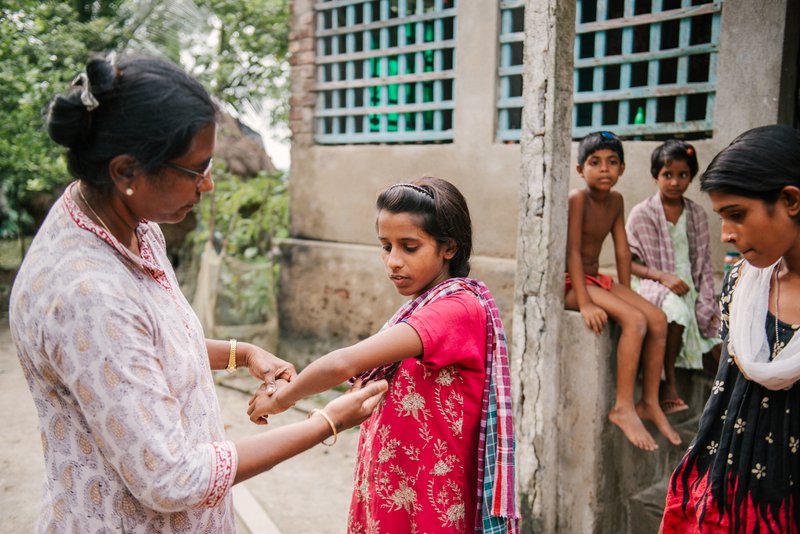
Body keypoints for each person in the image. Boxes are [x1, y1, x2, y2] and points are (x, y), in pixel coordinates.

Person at [8, 54, 387, 533]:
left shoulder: (130, 226)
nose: (208, 183)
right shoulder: (87, 293)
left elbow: (141, 349)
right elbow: (173, 477)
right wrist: (325, 423)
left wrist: (241, 353)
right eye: (196, 169)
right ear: (126, 172)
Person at [247, 177, 519, 533]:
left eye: (409, 247)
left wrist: (281, 398)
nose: (392, 261)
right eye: (385, 246)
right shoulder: (423, 309)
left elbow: (345, 363)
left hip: (430, 502)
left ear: (449, 248)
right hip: (395, 485)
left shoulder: (456, 310)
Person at [661, 125, 800, 532]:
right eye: (722, 218)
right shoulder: (741, 284)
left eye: (737, 215)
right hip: (726, 493)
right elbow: (726, 397)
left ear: (790, 200)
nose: (726, 234)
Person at [565, 131, 680, 451]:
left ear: (623, 169)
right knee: (635, 321)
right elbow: (572, 252)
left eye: (612, 163)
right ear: (580, 170)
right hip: (571, 283)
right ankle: (622, 407)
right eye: (595, 162)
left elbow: (622, 252)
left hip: (595, 278)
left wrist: (627, 292)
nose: (604, 169)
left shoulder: (615, 200)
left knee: (656, 317)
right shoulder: (578, 198)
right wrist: (586, 304)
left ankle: (649, 402)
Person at [625, 140, 722, 415]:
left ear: (691, 177)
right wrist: (662, 277)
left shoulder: (697, 215)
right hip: (651, 281)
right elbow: (629, 263)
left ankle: (725, 403)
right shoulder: (641, 213)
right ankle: (666, 383)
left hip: (687, 282)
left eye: (683, 175)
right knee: (677, 310)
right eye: (668, 175)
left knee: (714, 330)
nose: (675, 182)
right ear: (655, 176)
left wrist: (704, 298)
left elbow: (703, 263)